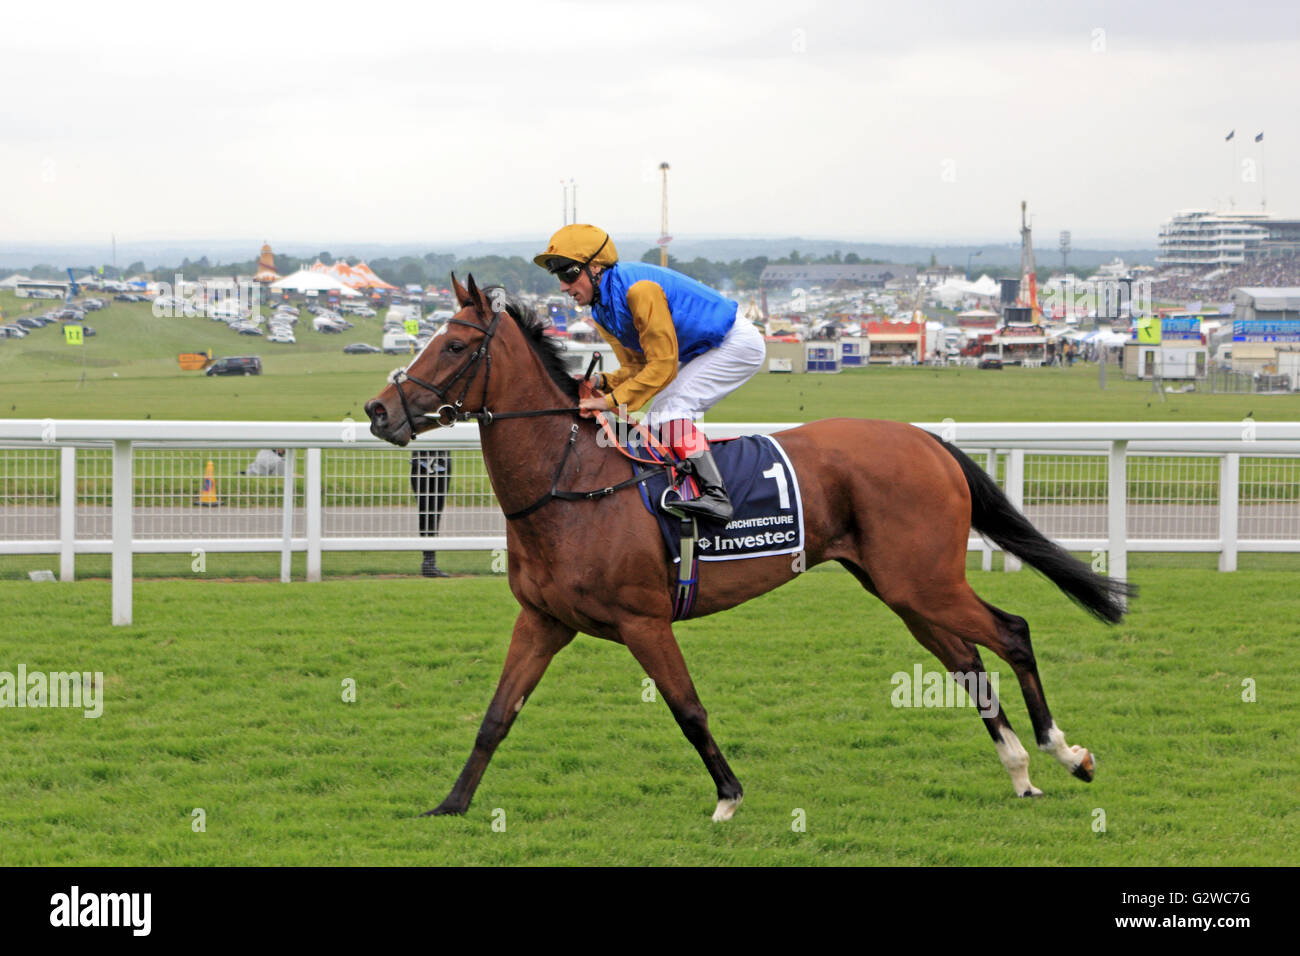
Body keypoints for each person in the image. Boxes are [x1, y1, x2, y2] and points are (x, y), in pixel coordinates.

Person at [533, 224, 766, 522]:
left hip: (734, 342)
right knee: (656, 421)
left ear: (595, 268)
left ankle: (716, 495)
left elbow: (663, 366)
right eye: (559, 277)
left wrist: (609, 401)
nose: (564, 287)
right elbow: (636, 368)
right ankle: (678, 492)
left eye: (568, 274)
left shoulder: (640, 291)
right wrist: (600, 382)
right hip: (699, 349)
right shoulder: (601, 311)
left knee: (671, 411)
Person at [410, 449, 452, 577]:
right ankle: (428, 561)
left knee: (435, 513)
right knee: (425, 513)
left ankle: (429, 562)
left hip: (443, 462)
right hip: (421, 463)